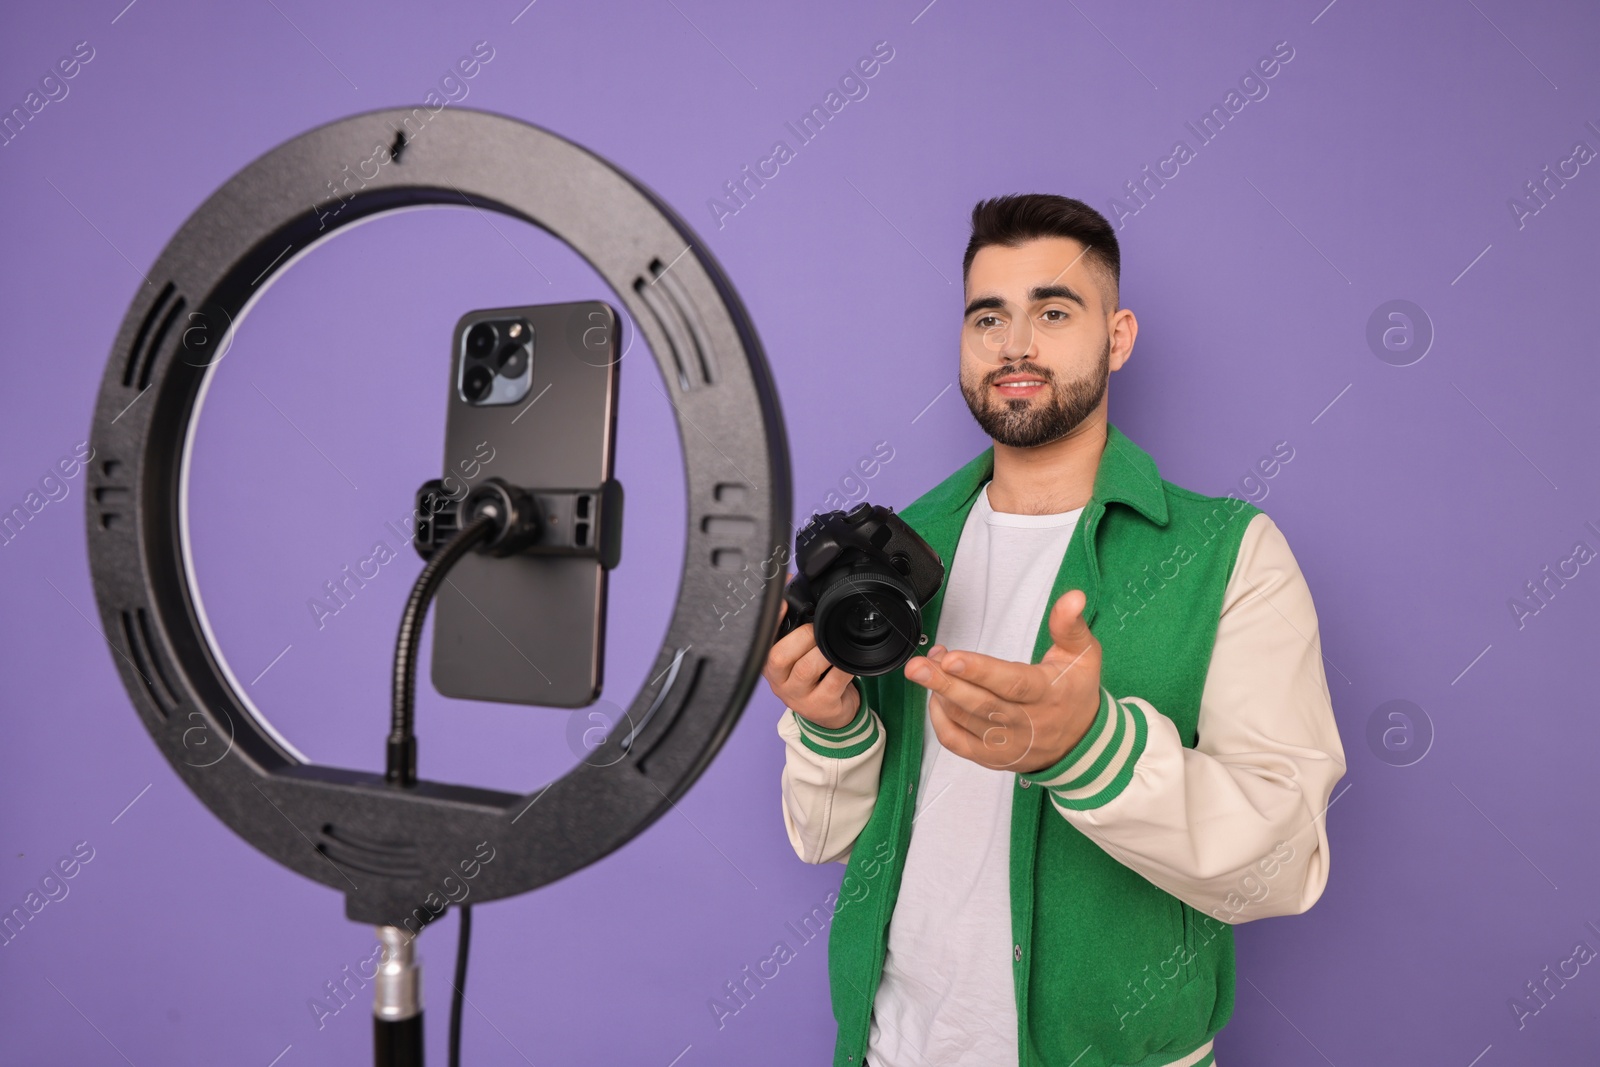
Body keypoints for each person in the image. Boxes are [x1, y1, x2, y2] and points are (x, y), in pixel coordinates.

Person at [764, 193, 1347, 1067]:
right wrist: (831, 726)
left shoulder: (1232, 554)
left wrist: (1090, 749)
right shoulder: (897, 555)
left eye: (1054, 310)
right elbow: (825, 839)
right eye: (988, 316)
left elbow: (1284, 861)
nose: (1015, 345)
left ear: (1118, 338)